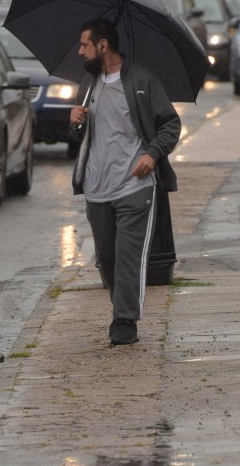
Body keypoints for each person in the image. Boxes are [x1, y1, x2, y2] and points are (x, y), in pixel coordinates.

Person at [69, 19, 181, 346]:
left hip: (135, 186)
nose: (80, 51)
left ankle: (124, 320)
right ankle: (121, 307)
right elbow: (81, 137)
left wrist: (152, 154)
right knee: (108, 257)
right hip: (96, 187)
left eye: (85, 45)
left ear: (103, 46)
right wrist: (75, 122)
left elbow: (170, 125)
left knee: (128, 255)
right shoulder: (88, 84)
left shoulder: (143, 80)